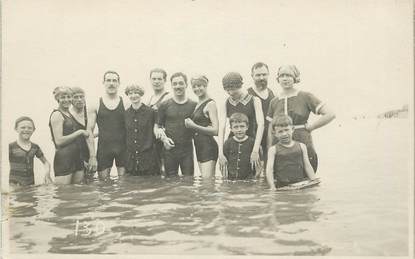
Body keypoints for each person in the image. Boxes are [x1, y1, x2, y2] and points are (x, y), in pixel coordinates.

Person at [266, 65, 336, 171]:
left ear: (295, 78)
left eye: (288, 75)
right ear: (278, 79)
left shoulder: (305, 96)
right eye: (282, 76)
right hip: (280, 145)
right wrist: (270, 148)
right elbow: (271, 129)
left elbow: (330, 114)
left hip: (302, 141)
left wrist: (312, 127)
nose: (285, 78)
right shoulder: (274, 101)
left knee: (306, 176)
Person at [218, 72, 264, 177]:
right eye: (227, 89)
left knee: (254, 175)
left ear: (240, 85)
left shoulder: (254, 100)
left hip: (252, 142)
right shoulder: (226, 103)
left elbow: (261, 125)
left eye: (233, 89)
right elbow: (222, 127)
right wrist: (220, 153)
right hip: (233, 142)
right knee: (231, 176)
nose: (230, 92)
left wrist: (256, 150)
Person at [86, 71, 127, 181]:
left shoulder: (126, 103)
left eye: (114, 80)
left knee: (125, 185)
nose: (111, 83)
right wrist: (92, 156)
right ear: (103, 82)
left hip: (123, 148)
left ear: (119, 83)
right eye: (108, 80)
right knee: (103, 185)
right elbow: (89, 130)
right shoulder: (96, 103)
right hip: (104, 149)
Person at [156, 72, 197, 177]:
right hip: (169, 150)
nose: (177, 86)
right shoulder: (164, 105)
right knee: (170, 183)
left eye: (180, 83)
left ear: (186, 85)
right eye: (175, 84)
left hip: (187, 150)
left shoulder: (194, 105)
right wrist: (164, 139)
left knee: (189, 181)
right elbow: (157, 126)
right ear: (171, 85)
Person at [49, 87, 89, 184]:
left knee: (77, 193)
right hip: (64, 159)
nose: (66, 100)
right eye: (63, 97)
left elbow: (79, 137)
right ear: (57, 99)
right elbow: (58, 141)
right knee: (63, 194)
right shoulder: (57, 114)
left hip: (77, 158)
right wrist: (80, 132)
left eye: (69, 97)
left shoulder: (69, 114)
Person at [266, 115, 316, 190]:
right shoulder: (273, 149)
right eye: (280, 131)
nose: (284, 134)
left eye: (286, 130)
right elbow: (269, 169)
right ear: (275, 134)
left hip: (300, 183)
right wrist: (272, 186)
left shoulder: (302, 146)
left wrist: (313, 181)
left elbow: (307, 165)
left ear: (292, 129)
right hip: (282, 185)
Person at [184, 75, 219, 178]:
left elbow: (216, 131)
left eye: (200, 86)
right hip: (199, 147)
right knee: (204, 184)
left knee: (207, 183)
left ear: (206, 85)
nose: (197, 89)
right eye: (194, 86)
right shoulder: (198, 103)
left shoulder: (210, 104)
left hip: (208, 147)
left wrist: (193, 126)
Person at [124, 84, 159, 175]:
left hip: (149, 159)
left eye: (136, 93)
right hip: (131, 160)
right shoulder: (125, 114)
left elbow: (157, 130)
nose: (133, 95)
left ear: (141, 94)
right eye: (130, 93)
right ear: (127, 95)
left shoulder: (151, 112)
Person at [8, 116, 52, 188]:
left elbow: (46, 162)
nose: (26, 130)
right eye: (23, 127)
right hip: (14, 186)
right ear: (16, 129)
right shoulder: (11, 147)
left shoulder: (35, 147)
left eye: (29, 128)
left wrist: (47, 174)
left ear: (33, 130)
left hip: (30, 186)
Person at [247, 62, 275, 164]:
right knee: (255, 173)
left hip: (269, 139)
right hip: (253, 139)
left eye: (264, 74)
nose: (261, 78)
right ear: (252, 76)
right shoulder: (247, 94)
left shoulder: (272, 94)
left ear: (268, 74)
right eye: (258, 75)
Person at [146, 68, 171, 175]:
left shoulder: (169, 96)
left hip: (166, 138)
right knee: (155, 173)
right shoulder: (150, 98)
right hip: (152, 141)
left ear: (165, 81)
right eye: (154, 79)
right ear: (150, 80)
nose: (156, 81)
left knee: (167, 172)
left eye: (159, 79)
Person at [222, 113, 260, 180]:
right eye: (236, 127)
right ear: (231, 129)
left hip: (248, 180)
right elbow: (224, 162)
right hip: (231, 179)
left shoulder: (253, 143)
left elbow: (259, 163)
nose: (239, 130)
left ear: (247, 127)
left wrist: (255, 177)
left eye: (242, 126)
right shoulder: (228, 143)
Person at [69, 87, 91, 179]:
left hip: (87, 153)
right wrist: (81, 160)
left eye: (81, 97)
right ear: (71, 100)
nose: (79, 99)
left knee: (88, 185)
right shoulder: (67, 114)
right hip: (72, 155)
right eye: (76, 97)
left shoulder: (88, 113)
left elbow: (90, 134)